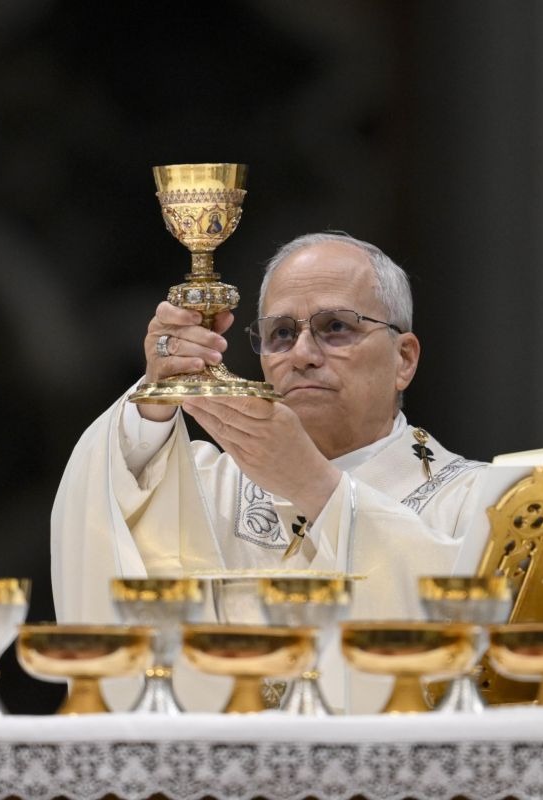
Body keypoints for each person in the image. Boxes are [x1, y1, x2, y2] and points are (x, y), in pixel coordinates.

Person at [50, 232, 490, 711]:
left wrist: (315, 488)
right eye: (281, 333)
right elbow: (100, 514)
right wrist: (155, 401)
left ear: (403, 359)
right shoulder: (204, 488)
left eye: (336, 326)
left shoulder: (482, 498)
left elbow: (472, 647)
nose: (302, 353)